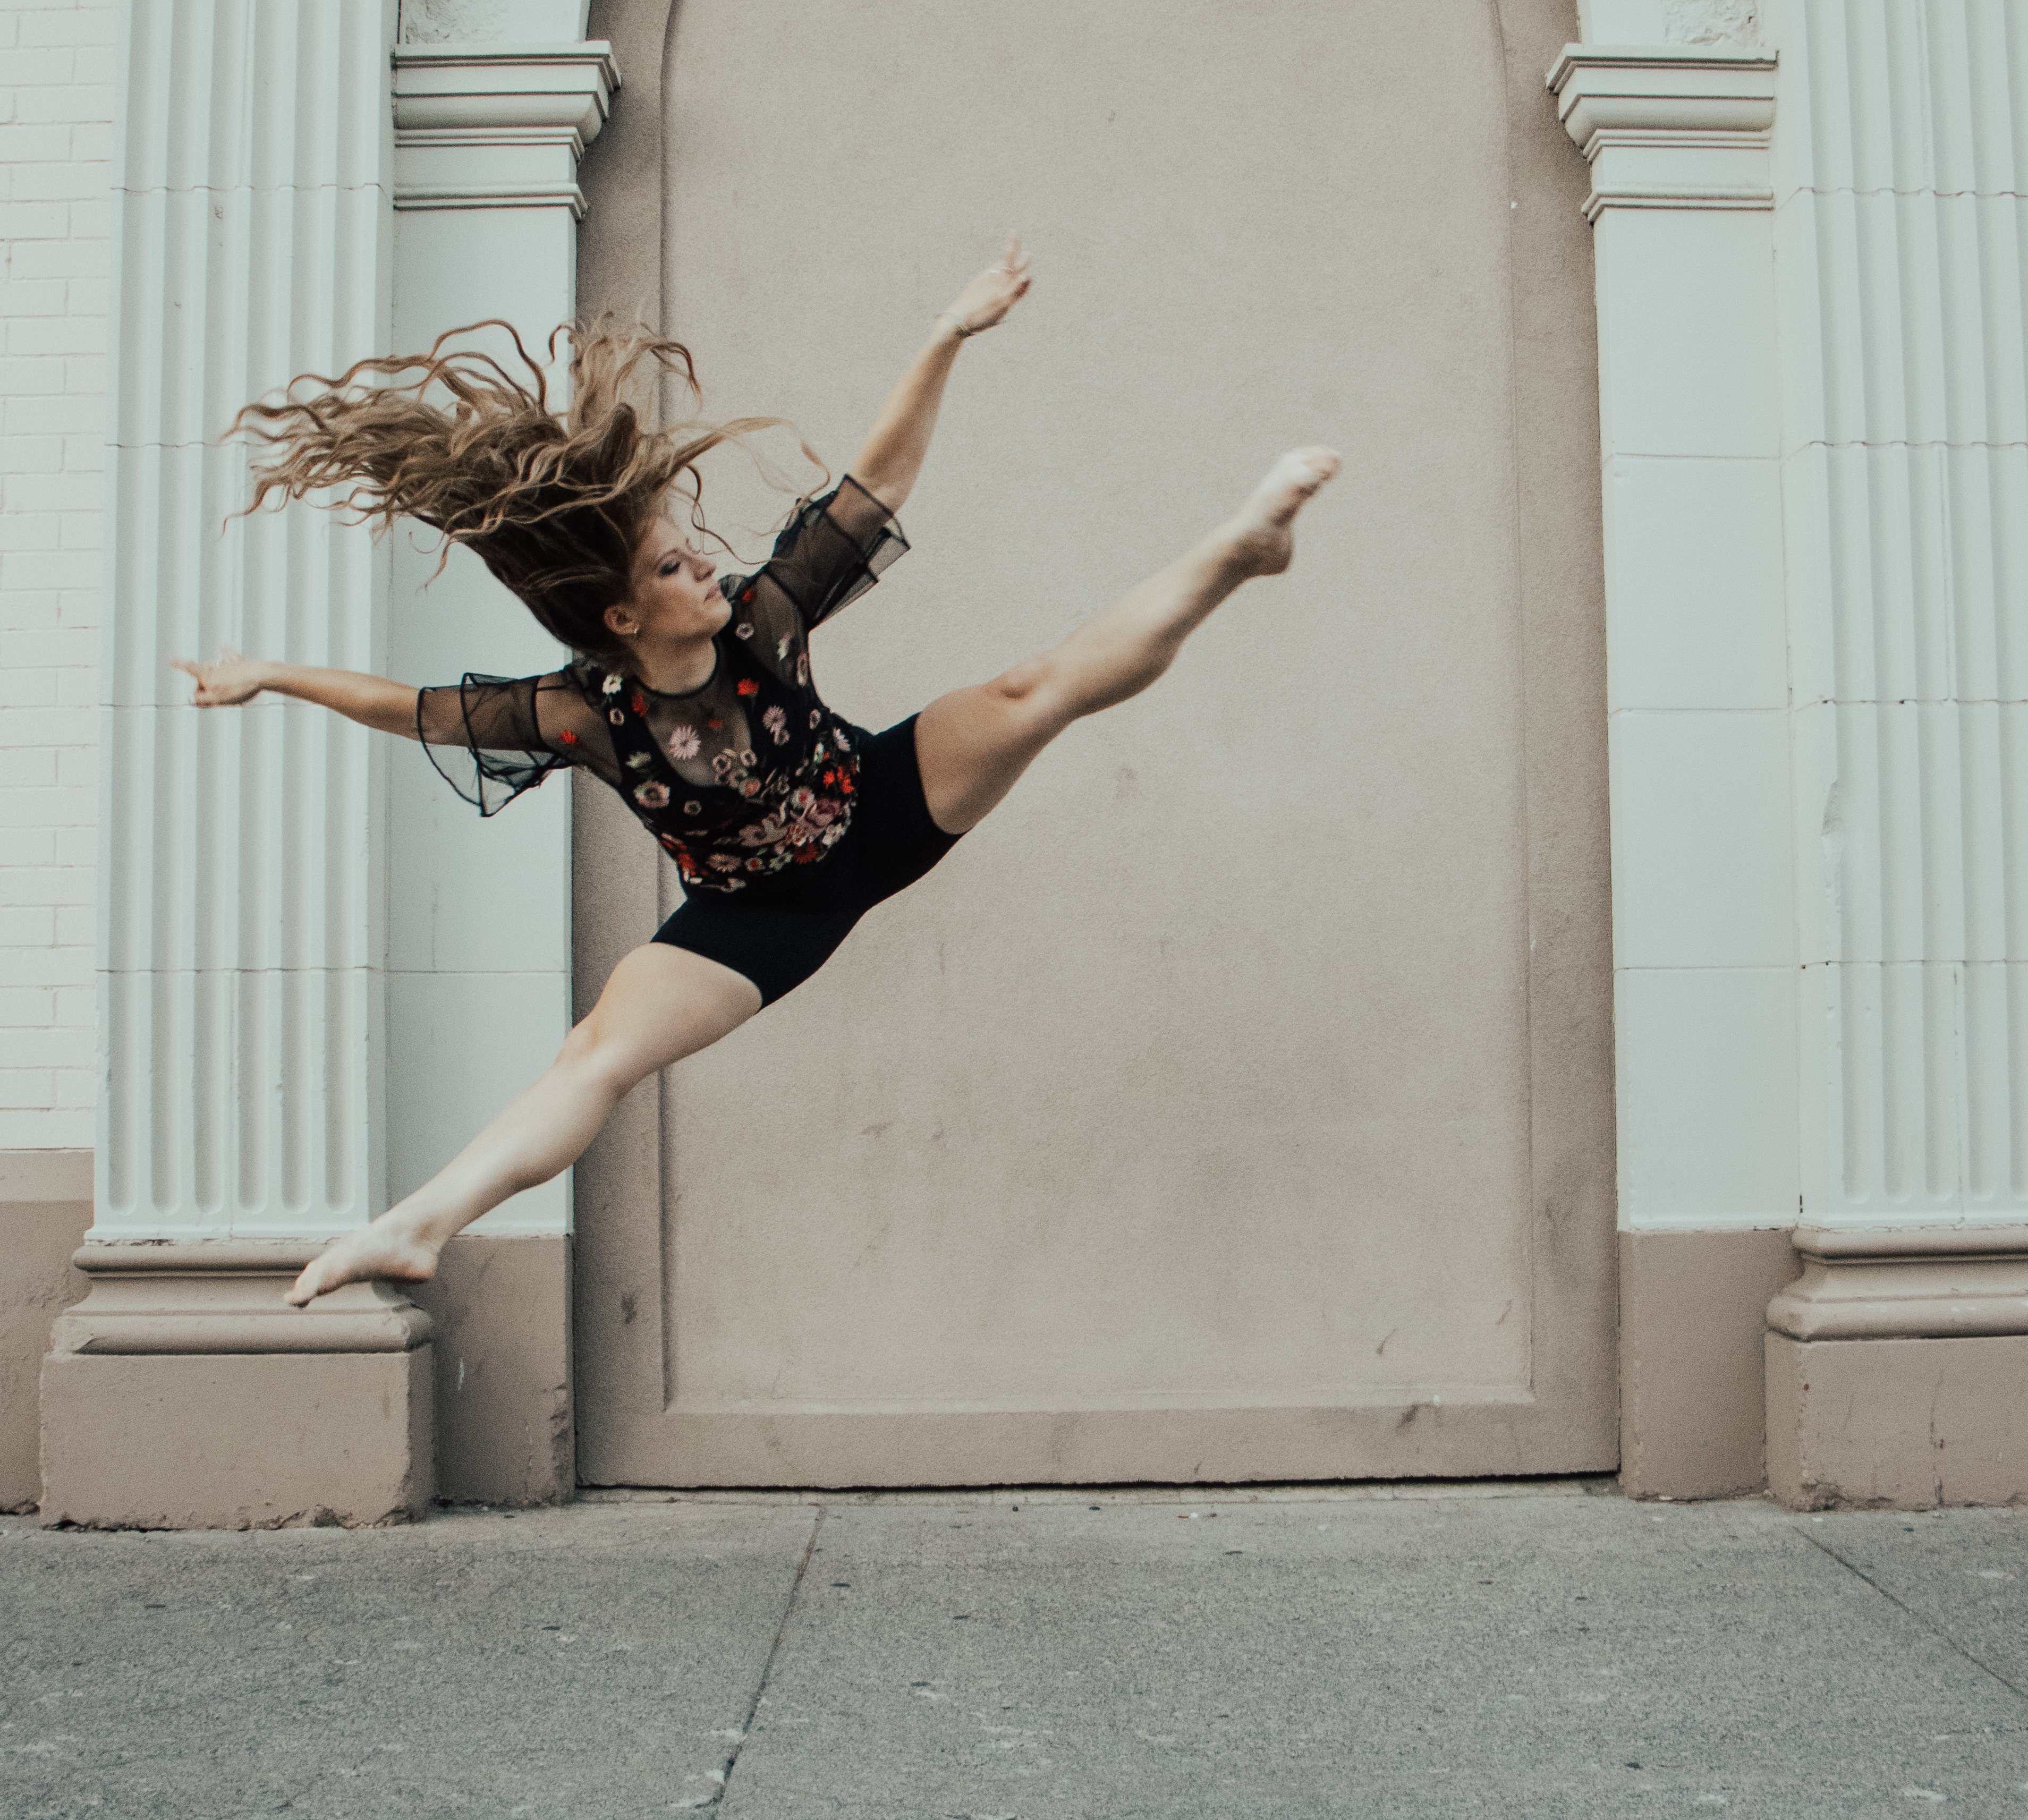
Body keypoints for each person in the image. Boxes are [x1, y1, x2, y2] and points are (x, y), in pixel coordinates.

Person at [174, 240, 1339, 1309]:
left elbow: (878, 477)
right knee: (596, 1052)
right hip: (751, 920)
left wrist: (945, 332)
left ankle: (1240, 548)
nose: (711, 562)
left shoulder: (765, 621)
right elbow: (414, 710)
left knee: (1037, 690)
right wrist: (272, 675)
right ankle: (419, 1222)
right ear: (626, 614)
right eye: (680, 565)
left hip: (878, 806)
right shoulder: (584, 714)